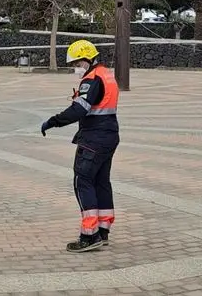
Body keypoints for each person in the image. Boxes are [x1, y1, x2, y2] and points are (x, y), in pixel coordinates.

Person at [40, 40, 120, 253]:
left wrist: (53, 121)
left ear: (87, 59)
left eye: (77, 62)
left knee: (82, 180)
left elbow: (78, 110)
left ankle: (89, 235)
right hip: (110, 134)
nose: (76, 67)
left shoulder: (91, 79)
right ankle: (103, 231)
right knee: (101, 182)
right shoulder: (106, 74)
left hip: (94, 138)